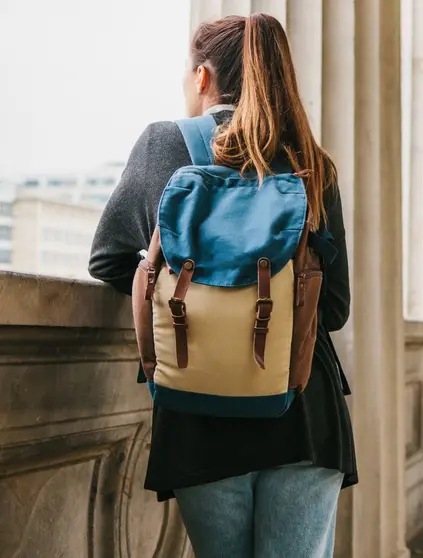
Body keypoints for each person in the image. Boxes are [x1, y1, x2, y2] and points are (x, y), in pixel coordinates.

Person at [88, 14, 356, 557]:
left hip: (198, 407)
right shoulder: (310, 162)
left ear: (204, 77)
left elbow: (108, 260)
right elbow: (333, 307)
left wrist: (189, 298)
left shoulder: (163, 145)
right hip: (300, 407)